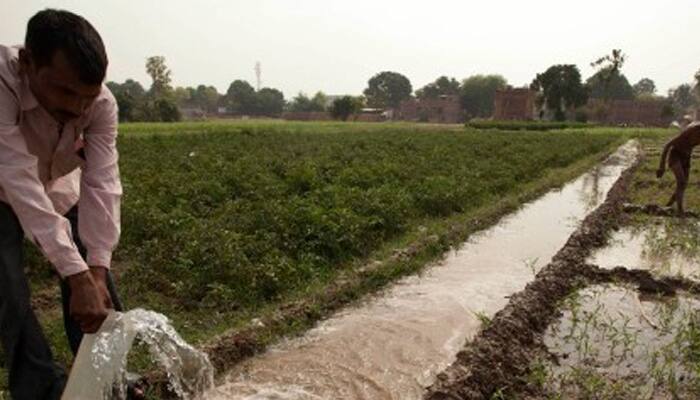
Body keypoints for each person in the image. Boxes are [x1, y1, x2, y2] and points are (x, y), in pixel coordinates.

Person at [0, 9, 141, 399]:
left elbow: (102, 183)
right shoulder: (2, 82)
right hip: (4, 184)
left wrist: (94, 268)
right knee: (8, 289)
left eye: (87, 96)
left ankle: (108, 383)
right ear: (28, 62)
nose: (79, 108)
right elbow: (15, 177)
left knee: (99, 288)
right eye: (65, 92)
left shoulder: (100, 105)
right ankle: (42, 389)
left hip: (58, 186)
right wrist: (74, 275)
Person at [657, 123, 700, 215]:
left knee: (683, 185)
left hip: (686, 157)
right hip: (675, 155)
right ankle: (680, 210)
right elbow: (667, 145)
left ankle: (668, 205)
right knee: (681, 182)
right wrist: (662, 166)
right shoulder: (691, 130)